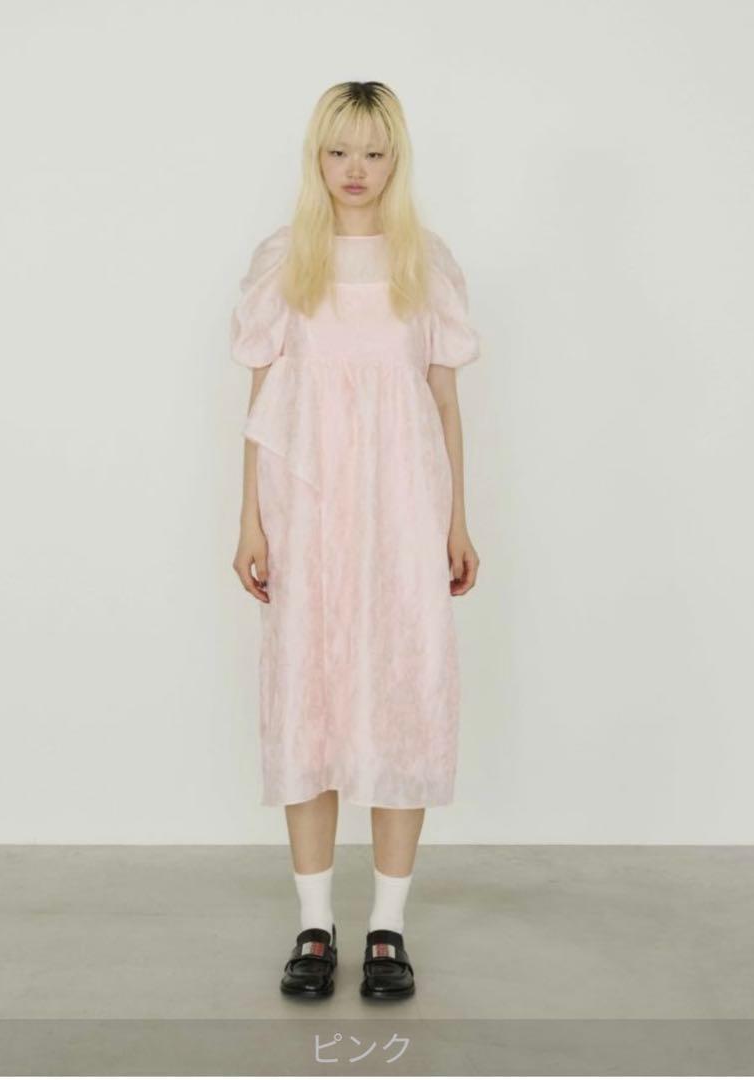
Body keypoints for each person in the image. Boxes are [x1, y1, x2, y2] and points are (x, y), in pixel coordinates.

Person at [230, 81, 481, 1000]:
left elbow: (443, 402)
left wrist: (457, 518)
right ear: (317, 158)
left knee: (402, 692)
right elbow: (261, 405)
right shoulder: (285, 260)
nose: (355, 170)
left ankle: (387, 926)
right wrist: (250, 519)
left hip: (404, 507)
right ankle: (313, 922)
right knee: (310, 695)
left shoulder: (425, 261)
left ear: (396, 160)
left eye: (374, 152)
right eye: (339, 151)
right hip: (308, 509)